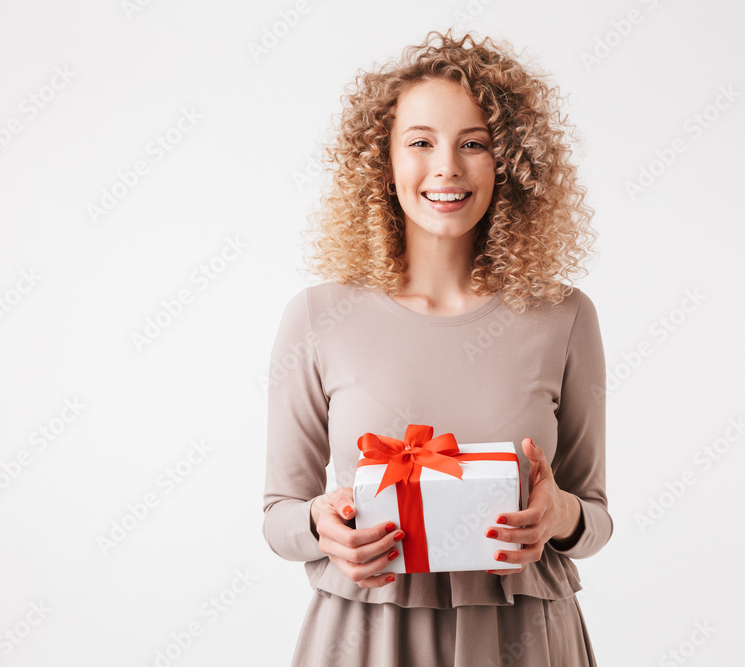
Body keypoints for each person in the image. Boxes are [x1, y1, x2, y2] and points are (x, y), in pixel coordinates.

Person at [263, 28, 611, 666]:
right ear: (383, 160)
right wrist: (323, 526)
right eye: (420, 142)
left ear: (508, 162)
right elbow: (278, 515)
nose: (446, 167)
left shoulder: (565, 317)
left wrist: (559, 514)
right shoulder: (318, 317)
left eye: (473, 144)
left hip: (525, 640)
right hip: (366, 638)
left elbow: (594, 517)